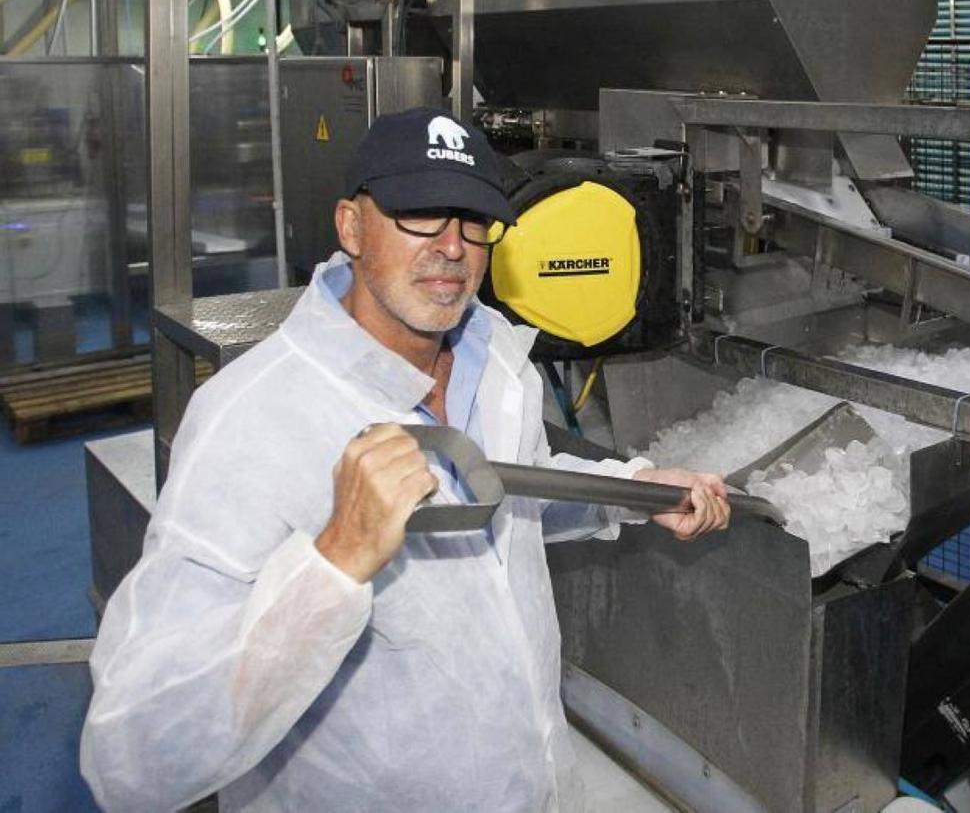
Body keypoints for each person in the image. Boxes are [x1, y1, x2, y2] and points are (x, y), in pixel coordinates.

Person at [80, 107, 730, 812]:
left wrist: (634, 489)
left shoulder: (498, 364)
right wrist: (334, 562)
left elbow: (506, 505)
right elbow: (132, 758)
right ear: (351, 226)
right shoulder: (256, 417)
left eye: (473, 219)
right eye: (420, 213)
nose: (452, 247)